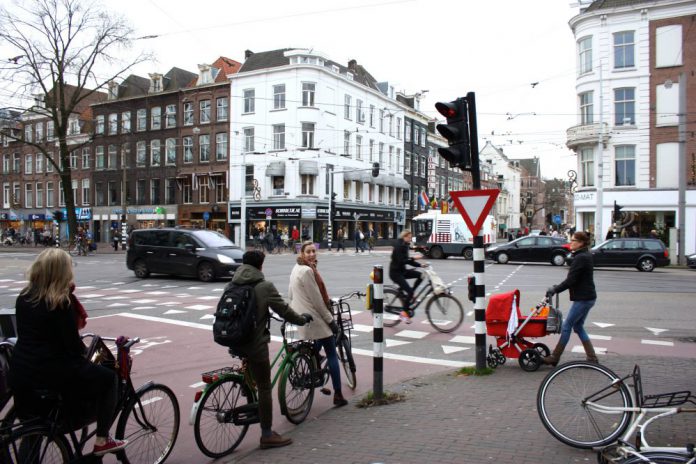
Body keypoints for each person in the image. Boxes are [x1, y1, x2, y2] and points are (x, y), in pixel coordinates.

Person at [8, 249, 128, 456]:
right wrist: (87, 357)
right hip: (51, 371)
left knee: (32, 430)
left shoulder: (24, 296)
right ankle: (102, 439)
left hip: (21, 370)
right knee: (108, 378)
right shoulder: (61, 301)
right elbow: (71, 347)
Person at [228, 250, 312, 449]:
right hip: (255, 345)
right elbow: (283, 310)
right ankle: (267, 434)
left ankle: (248, 393)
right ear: (261, 266)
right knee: (265, 386)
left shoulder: (232, 284)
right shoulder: (264, 286)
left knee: (252, 379)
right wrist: (302, 319)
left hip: (234, 340)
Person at [289, 242, 348, 408]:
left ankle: (316, 363)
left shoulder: (296, 268)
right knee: (332, 353)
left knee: (317, 345)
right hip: (312, 317)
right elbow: (318, 301)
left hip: (300, 316)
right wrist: (330, 321)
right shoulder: (308, 270)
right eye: (308, 252)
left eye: (314, 251)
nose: (312, 254)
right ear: (302, 253)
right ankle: (338, 394)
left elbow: (290, 293)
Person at [542, 231, 598, 366]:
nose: (570, 243)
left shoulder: (581, 258)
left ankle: (555, 356)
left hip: (583, 298)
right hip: (588, 297)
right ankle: (592, 358)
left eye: (573, 240)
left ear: (581, 243)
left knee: (567, 326)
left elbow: (571, 280)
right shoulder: (583, 255)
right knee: (578, 326)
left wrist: (555, 289)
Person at [389, 230, 427, 324]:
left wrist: (420, 265)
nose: (410, 239)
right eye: (409, 237)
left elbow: (408, 260)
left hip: (402, 271)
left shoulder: (405, 245)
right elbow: (403, 261)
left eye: (410, 237)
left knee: (421, 275)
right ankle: (404, 313)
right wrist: (414, 258)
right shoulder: (399, 246)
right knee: (409, 291)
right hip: (395, 273)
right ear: (404, 236)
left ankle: (411, 294)